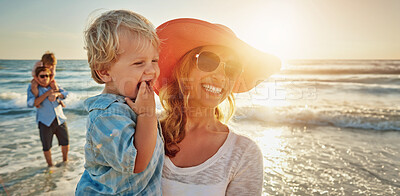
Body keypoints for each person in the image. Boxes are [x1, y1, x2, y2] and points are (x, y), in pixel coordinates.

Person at [154, 18, 281, 195]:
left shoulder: (243, 153)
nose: (221, 76)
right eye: (208, 61)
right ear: (184, 68)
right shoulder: (147, 132)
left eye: (232, 68)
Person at [75, 10, 164, 195]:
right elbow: (138, 162)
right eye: (139, 63)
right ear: (105, 72)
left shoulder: (134, 103)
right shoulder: (106, 115)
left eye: (154, 60)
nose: (151, 70)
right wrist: (147, 114)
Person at [27, 66, 69, 167]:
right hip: (45, 121)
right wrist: (47, 94)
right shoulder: (33, 88)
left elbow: (66, 93)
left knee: (65, 142)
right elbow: (31, 103)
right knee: (46, 146)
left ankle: (65, 162)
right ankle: (50, 166)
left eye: (47, 75)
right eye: (42, 76)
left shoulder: (54, 85)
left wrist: (57, 94)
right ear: (37, 77)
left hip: (60, 119)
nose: (45, 78)